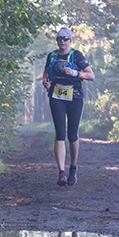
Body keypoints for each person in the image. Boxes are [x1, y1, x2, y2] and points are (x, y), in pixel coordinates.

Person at [41, 28, 94, 186]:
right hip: (56, 96)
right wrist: (45, 82)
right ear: (57, 41)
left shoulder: (77, 55)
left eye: (65, 39)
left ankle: (73, 167)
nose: (62, 41)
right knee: (60, 133)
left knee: (72, 134)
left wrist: (75, 73)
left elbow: (91, 75)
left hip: (75, 97)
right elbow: (46, 74)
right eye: (59, 39)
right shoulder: (52, 56)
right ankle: (61, 173)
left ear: (70, 40)